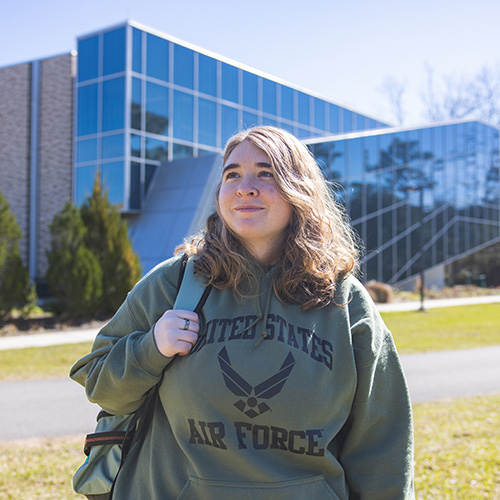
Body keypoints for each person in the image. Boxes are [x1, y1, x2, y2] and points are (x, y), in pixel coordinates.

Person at [71, 126, 414, 499]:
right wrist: (150, 348)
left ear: (300, 189)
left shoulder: (344, 302)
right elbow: (101, 386)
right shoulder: (176, 283)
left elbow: (382, 441)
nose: (244, 187)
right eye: (232, 174)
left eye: (265, 174)